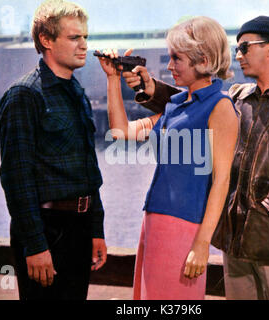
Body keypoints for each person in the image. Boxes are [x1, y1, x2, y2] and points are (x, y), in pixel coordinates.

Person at [124, 16, 269, 300]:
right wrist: (150, 87)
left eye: (245, 47)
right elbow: (192, 103)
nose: (237, 55)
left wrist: (266, 207)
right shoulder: (237, 98)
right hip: (234, 244)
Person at [97, 16, 238, 299]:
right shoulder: (174, 106)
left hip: (184, 228)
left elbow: (222, 182)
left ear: (204, 59)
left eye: (177, 58)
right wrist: (113, 80)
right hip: (153, 221)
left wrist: (201, 244)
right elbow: (121, 131)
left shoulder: (220, 107)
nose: (170, 66)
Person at [0, 0, 107, 300]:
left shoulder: (77, 93)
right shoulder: (24, 95)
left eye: (85, 36)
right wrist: (34, 244)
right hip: (47, 231)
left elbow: (88, 169)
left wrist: (96, 228)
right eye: (74, 38)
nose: (84, 45)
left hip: (80, 229)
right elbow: (16, 179)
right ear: (46, 40)